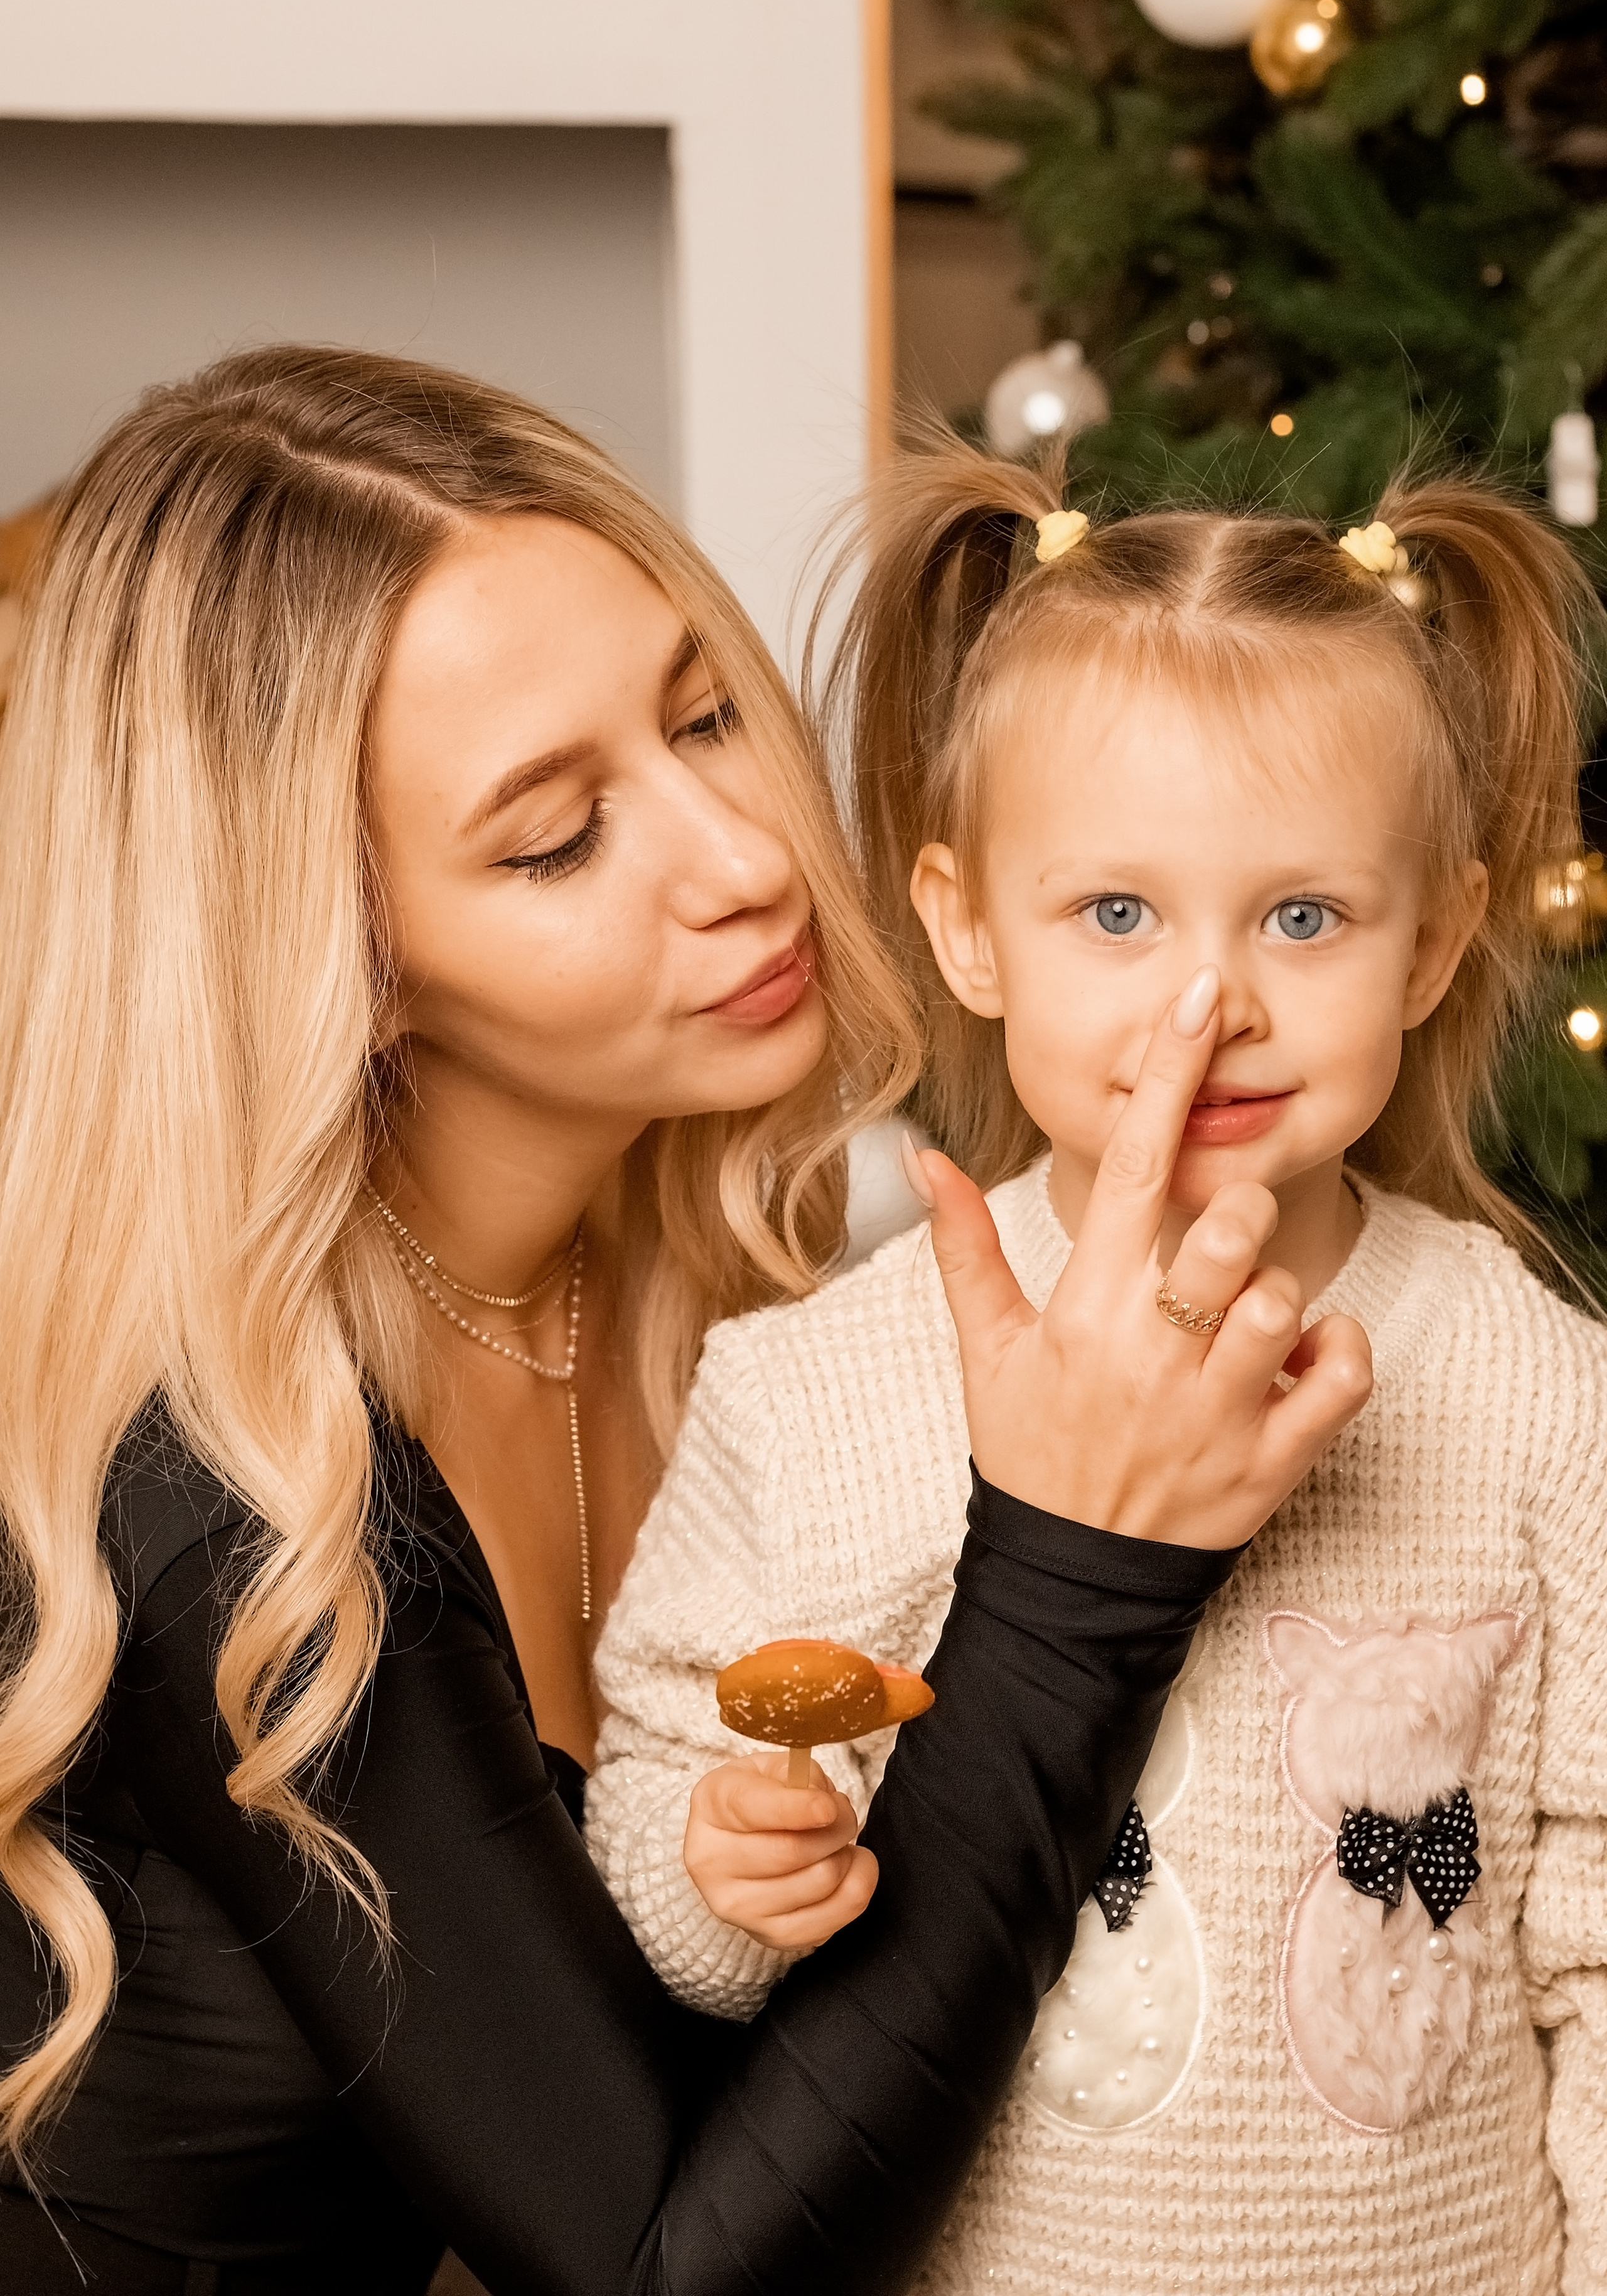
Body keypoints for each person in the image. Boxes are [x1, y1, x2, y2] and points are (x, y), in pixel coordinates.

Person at [0, 352, 1369, 2296]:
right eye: (557, 838)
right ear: (333, 957)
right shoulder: (217, 1488)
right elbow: (665, 2265)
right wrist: (1079, 1574)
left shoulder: (735, 1304)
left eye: (708, 712)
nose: (746, 861)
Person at [588, 446, 1607, 2296]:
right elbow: (669, 1818)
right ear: (968, 929)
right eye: (1118, 915)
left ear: (1438, 940)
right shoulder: (809, 1398)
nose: (1209, 1008)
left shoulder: (1543, 1396)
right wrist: (725, 1868)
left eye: (1303, 917)